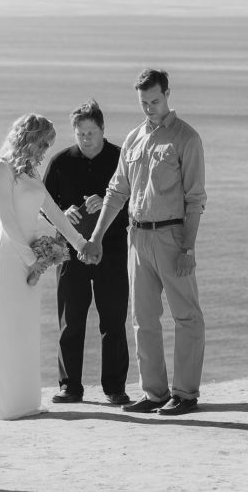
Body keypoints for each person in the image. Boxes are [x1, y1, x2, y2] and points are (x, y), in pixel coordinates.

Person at [82, 69, 206, 416]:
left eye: (155, 100)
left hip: (172, 236)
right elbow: (116, 192)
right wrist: (96, 237)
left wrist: (188, 248)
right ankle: (154, 392)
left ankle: (185, 393)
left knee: (186, 317)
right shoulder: (134, 138)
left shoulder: (186, 139)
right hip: (136, 236)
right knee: (143, 318)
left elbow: (195, 199)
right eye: (144, 103)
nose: (150, 108)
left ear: (168, 94)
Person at [0, 114, 90, 420]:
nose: (45, 150)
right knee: (7, 325)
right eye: (43, 143)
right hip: (9, 257)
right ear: (27, 138)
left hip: (33, 259)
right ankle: (4, 404)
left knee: (25, 328)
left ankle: (25, 400)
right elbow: (7, 222)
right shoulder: (0, 169)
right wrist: (33, 261)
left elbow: (55, 213)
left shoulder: (30, 173)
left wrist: (81, 244)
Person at [43, 100, 131, 406]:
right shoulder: (60, 162)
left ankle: (115, 388)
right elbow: (44, 208)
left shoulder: (121, 158)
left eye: (91, 132)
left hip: (113, 251)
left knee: (114, 319)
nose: (85, 138)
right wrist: (63, 214)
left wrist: (107, 205)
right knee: (71, 320)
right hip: (70, 252)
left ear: (103, 129)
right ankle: (70, 386)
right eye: (80, 133)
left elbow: (135, 205)